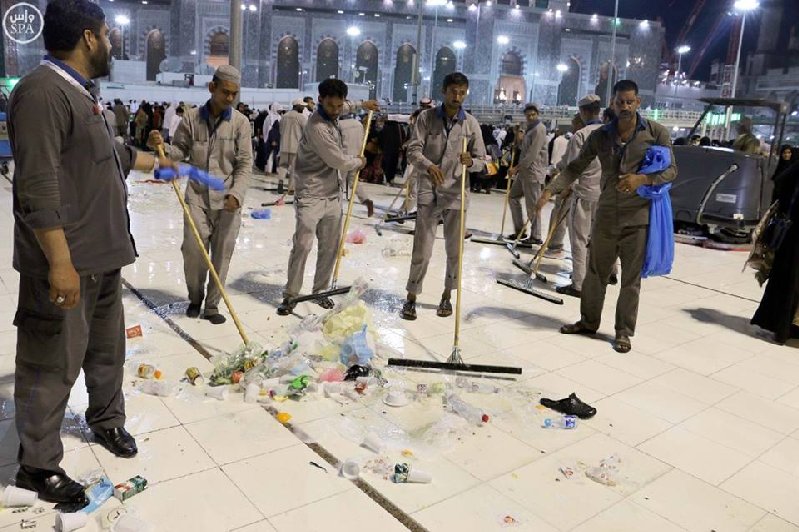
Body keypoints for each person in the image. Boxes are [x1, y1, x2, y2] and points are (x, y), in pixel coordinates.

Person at [7, 0, 175, 505]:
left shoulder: (84, 94)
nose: (111, 41)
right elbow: (36, 186)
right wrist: (59, 263)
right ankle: (36, 466)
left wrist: (159, 164)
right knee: (50, 363)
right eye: (106, 33)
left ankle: (106, 421)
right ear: (87, 37)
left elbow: (112, 157)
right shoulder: (42, 93)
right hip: (68, 264)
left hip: (102, 259)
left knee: (106, 355)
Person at [537, 80, 677, 353]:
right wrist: (550, 190)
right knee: (594, 274)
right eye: (620, 102)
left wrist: (642, 179)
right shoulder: (600, 136)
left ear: (638, 102)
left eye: (629, 101)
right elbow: (575, 166)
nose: (624, 107)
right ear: (612, 103)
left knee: (630, 281)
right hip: (605, 217)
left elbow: (672, 171)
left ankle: (623, 332)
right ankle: (588, 322)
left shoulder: (655, 132)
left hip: (638, 219)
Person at [149, 65, 253, 325]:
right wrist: (161, 148)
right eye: (225, 92)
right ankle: (195, 298)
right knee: (193, 252)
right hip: (197, 196)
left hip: (228, 198)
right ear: (212, 87)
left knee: (222, 253)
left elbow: (244, 164)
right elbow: (178, 152)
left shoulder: (240, 123)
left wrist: (237, 195)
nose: (230, 98)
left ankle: (212, 306)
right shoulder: (191, 119)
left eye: (234, 94)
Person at [277, 80, 378, 315]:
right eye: (331, 106)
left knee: (330, 246)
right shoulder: (316, 127)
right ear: (320, 100)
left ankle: (320, 290)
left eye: (338, 106)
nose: (336, 110)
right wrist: (360, 162)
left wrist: (365, 104)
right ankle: (291, 295)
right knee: (302, 244)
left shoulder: (336, 109)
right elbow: (339, 161)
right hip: (311, 194)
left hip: (333, 194)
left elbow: (347, 107)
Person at [400, 72, 486, 320]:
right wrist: (428, 165)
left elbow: (483, 160)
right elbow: (413, 150)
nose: (457, 97)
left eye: (462, 92)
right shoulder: (426, 118)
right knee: (422, 250)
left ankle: (447, 295)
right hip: (429, 190)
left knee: (454, 250)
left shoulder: (471, 124)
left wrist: (472, 162)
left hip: (457, 193)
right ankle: (412, 297)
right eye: (453, 92)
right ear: (444, 91)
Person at [551, 95, 605, 298]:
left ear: (583, 112)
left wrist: (566, 188)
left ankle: (579, 284)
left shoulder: (581, 135)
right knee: (594, 240)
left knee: (579, 240)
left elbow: (574, 167)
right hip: (602, 194)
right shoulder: (609, 132)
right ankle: (592, 282)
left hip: (583, 193)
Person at [751, 158, 799, 344]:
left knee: (790, 280)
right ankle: (787, 327)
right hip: (795, 234)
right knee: (792, 280)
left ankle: (784, 327)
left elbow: (781, 181)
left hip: (795, 233)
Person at [507, 103, 547, 243]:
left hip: (533, 172)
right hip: (524, 172)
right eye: (528, 115)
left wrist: (516, 168)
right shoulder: (529, 130)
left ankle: (536, 236)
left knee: (533, 205)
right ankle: (520, 230)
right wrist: (517, 139)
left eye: (533, 115)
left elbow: (532, 154)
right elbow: (523, 149)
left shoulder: (539, 129)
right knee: (512, 197)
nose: (530, 117)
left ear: (537, 114)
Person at [339, 105, 375, 217]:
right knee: (354, 182)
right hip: (357, 156)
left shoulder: (339, 125)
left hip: (343, 158)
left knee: (338, 183)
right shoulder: (358, 124)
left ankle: (337, 207)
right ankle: (366, 199)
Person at [277, 99, 308, 192]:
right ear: (297, 106)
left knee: (282, 165)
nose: (303, 108)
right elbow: (306, 131)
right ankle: (291, 188)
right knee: (294, 168)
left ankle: (280, 182)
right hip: (295, 147)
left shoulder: (284, 116)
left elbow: (281, 130)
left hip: (284, 146)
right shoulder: (300, 117)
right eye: (302, 106)